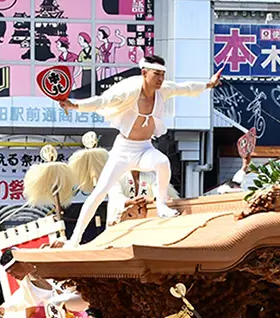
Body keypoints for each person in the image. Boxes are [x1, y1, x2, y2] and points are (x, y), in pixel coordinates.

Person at [60, 56, 224, 244]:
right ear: (144, 73)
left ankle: (161, 204)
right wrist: (74, 105)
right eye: (157, 74)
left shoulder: (164, 90)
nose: (160, 79)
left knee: (162, 162)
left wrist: (209, 84)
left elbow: (185, 88)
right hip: (123, 150)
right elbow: (102, 101)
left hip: (144, 148)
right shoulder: (129, 92)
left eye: (163, 74)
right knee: (99, 192)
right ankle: (75, 238)